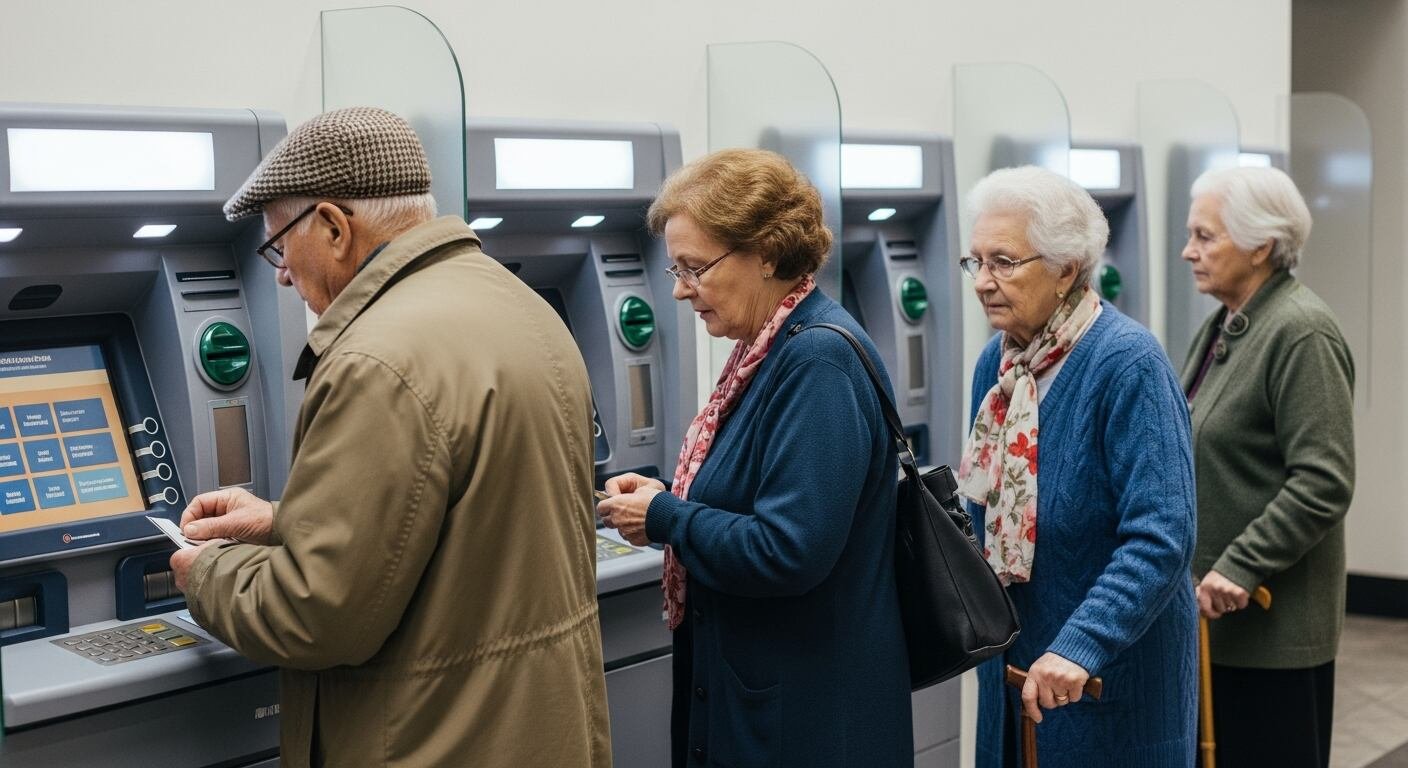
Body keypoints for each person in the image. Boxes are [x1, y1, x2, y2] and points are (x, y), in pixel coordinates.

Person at [167, 107, 611, 768]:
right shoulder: (521, 306)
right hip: (539, 728)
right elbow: (469, 523)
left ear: (334, 226)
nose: (282, 274)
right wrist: (290, 523)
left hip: (431, 740)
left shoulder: (373, 360)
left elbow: (317, 615)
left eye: (278, 246)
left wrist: (208, 572)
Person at [595, 148, 912, 767]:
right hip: (775, 704)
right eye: (675, 272)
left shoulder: (817, 361)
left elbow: (788, 549)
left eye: (695, 268)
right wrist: (670, 494)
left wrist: (665, 517)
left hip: (809, 722)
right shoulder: (768, 350)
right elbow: (759, 494)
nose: (683, 292)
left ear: (766, 252)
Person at [957, 166, 1198, 767]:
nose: (983, 282)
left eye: (1004, 262)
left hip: (1104, 677)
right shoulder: (999, 365)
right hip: (1014, 671)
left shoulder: (1128, 364)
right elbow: (981, 512)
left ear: (1067, 268)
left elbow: (1162, 536)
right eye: (975, 261)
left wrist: (1083, 645)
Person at [1181, 166, 1354, 768]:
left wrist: (1241, 564)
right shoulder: (1227, 322)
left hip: (1270, 632)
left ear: (1260, 245)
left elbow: (1323, 481)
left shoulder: (1301, 331)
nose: (1188, 252)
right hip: (1217, 629)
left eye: (1205, 236)